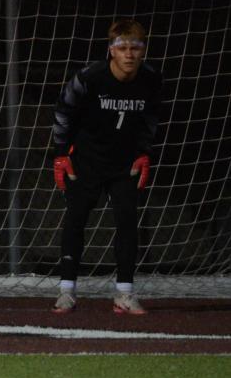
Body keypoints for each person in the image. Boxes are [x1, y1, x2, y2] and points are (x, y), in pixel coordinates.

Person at [47, 17, 165, 315]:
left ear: (143, 50)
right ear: (111, 50)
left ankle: (124, 293)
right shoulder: (89, 78)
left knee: (127, 219)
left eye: (135, 48)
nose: (129, 54)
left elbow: (151, 118)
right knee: (76, 217)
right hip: (86, 160)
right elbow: (63, 111)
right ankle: (66, 291)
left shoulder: (151, 79)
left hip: (125, 162)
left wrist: (144, 152)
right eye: (122, 47)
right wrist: (61, 153)